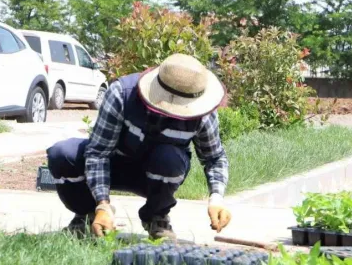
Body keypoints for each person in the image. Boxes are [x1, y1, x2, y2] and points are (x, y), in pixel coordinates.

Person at [46, 53, 232, 240]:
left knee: (170, 158)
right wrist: (102, 204)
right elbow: (98, 153)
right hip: (113, 165)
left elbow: (214, 158)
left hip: (156, 174)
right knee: (62, 153)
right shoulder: (121, 94)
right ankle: (87, 216)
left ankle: (156, 217)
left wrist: (216, 199)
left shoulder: (203, 113)